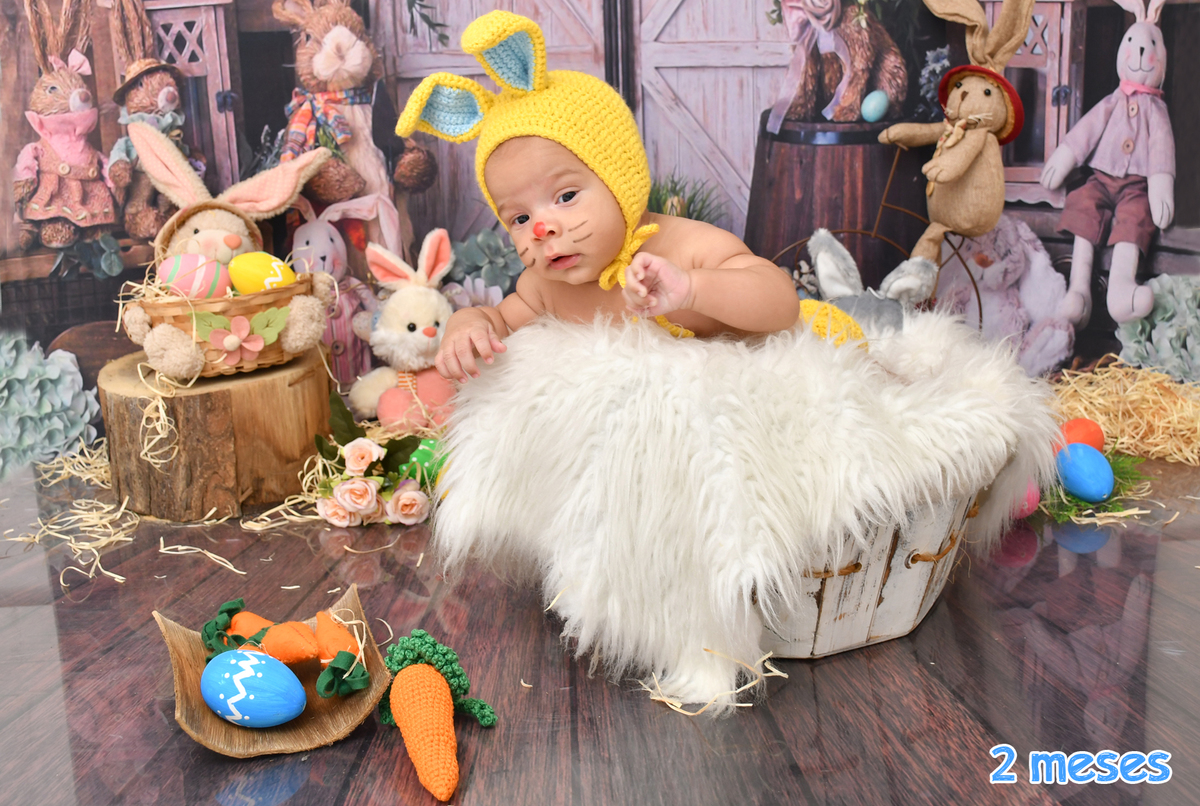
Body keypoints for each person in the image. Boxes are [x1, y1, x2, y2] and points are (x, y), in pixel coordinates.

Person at [396, 10, 800, 383]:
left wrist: (692, 288)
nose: (540, 228)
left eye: (566, 195)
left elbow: (782, 303)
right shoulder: (544, 288)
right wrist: (469, 324)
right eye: (519, 218)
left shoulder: (688, 246)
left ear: (620, 179)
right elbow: (498, 320)